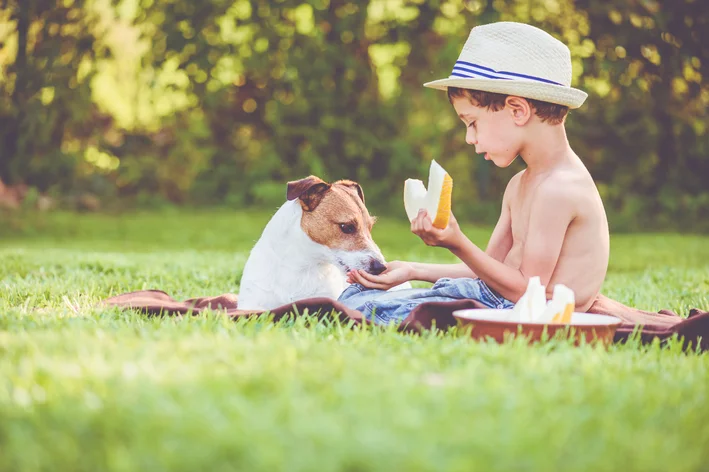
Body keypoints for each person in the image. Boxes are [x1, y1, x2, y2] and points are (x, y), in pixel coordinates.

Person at [337, 21, 610, 325]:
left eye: (473, 122)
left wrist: (458, 242)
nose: (470, 138)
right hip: (490, 296)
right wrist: (413, 270)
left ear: (517, 110)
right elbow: (489, 269)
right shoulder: (521, 183)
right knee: (355, 297)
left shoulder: (558, 189)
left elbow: (527, 291)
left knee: (368, 309)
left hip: (521, 312)